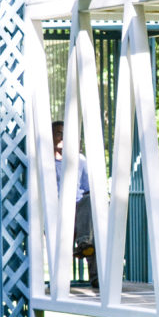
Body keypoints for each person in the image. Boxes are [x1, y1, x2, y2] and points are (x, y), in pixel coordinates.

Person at [53, 121, 98, 289]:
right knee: (90, 232)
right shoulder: (45, 162)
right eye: (58, 134)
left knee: (91, 207)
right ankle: (85, 244)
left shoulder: (80, 160)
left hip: (79, 209)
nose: (63, 138)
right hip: (56, 212)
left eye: (66, 134)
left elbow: (87, 189)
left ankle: (97, 277)